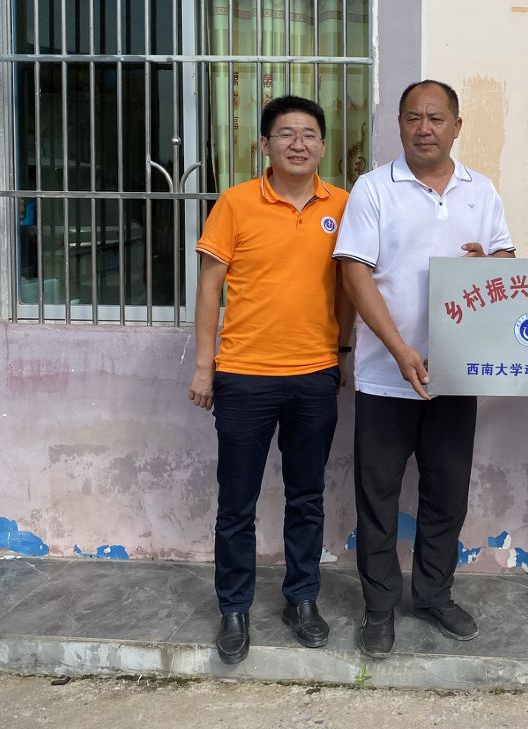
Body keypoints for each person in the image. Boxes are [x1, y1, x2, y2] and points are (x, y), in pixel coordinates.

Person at [334, 80, 515, 658]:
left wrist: (491, 264)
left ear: (456, 126)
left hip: (456, 375)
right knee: (378, 497)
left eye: (436, 118)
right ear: (400, 125)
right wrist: (398, 349)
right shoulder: (373, 189)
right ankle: (379, 606)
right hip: (385, 376)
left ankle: (434, 595)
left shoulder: (480, 190)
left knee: (447, 493)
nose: (424, 128)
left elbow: (506, 262)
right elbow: (355, 273)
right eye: (413, 117)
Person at [188, 95, 354, 665]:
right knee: (237, 500)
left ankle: (301, 599)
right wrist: (205, 366)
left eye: (309, 134)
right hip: (244, 377)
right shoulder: (235, 203)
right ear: (264, 144)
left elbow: (350, 287)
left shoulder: (343, 205)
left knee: (307, 496)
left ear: (323, 146)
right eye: (286, 134)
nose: (298, 144)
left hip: (314, 375)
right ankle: (233, 607)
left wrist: (342, 352)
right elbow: (210, 287)